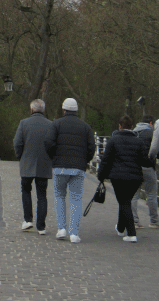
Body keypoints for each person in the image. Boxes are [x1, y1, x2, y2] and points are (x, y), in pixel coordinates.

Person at [44, 98, 95, 243]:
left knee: (59, 196)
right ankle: (74, 233)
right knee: (76, 199)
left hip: (59, 167)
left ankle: (62, 228)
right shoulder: (85, 127)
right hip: (77, 168)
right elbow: (91, 147)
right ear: (76, 110)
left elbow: (48, 142)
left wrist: (54, 157)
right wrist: (84, 160)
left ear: (64, 109)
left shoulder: (56, 124)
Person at [98, 115, 152, 243]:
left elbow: (106, 160)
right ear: (132, 127)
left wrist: (101, 175)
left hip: (118, 177)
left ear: (120, 127)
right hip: (135, 178)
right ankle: (120, 228)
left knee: (124, 202)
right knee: (125, 201)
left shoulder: (113, 140)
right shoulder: (139, 141)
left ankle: (132, 233)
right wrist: (152, 161)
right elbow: (144, 161)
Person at [13, 99, 54, 234]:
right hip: (44, 163)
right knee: (42, 194)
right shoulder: (50, 125)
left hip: (27, 163)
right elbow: (53, 145)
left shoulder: (24, 123)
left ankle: (28, 220)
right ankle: (41, 226)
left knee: (26, 190)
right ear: (43, 110)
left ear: (31, 110)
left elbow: (17, 142)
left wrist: (21, 157)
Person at [132, 114, 158, 229]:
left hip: (134, 167)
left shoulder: (133, 132)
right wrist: (152, 158)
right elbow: (155, 149)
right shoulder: (152, 133)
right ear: (151, 123)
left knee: (134, 195)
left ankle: (134, 221)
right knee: (151, 194)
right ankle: (154, 221)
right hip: (148, 166)